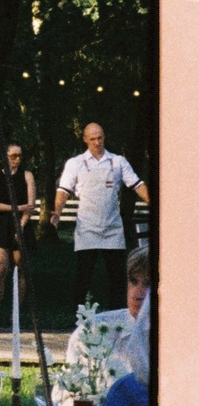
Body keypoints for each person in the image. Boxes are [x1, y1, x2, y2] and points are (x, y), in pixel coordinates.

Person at [54, 122, 149, 311]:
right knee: (84, 275)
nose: (97, 142)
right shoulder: (76, 163)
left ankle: (118, 315)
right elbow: (63, 190)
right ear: (85, 140)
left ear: (104, 137)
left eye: (100, 138)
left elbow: (137, 185)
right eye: (92, 139)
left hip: (112, 227)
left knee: (116, 276)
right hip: (87, 227)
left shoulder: (118, 161)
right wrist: (57, 211)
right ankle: (80, 318)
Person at [0, 142, 39, 326]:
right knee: (0, 267)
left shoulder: (27, 176)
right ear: (5, 157)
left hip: (22, 222)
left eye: (20, 156)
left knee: (21, 267)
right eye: (14, 156)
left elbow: (31, 205)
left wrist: (21, 226)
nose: (17, 159)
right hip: (1, 224)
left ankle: (15, 313)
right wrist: (18, 207)